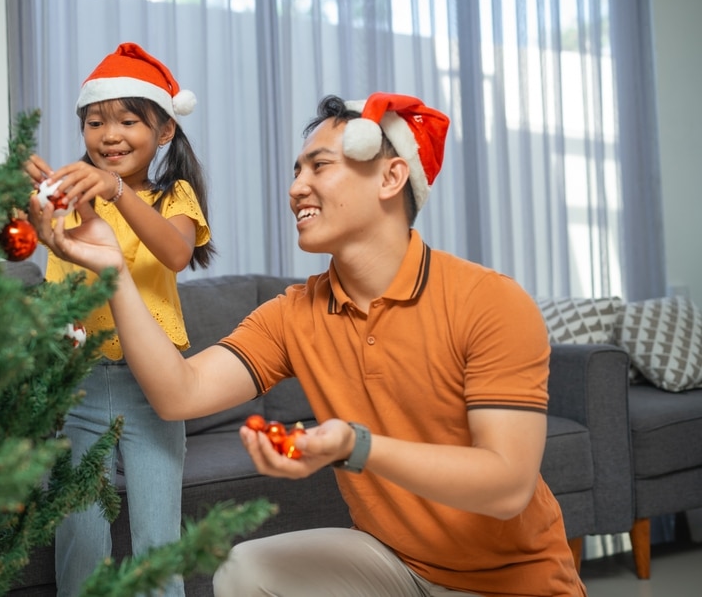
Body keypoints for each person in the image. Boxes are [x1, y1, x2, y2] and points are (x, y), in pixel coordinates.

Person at [30, 91, 586, 596]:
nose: (297, 187)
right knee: (246, 573)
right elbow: (179, 394)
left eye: (320, 166)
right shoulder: (296, 313)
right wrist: (115, 273)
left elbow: (507, 486)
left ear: (391, 178)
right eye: (296, 170)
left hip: (515, 584)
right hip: (396, 567)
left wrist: (355, 446)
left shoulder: (488, 300)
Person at [24, 42, 214, 597]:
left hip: (154, 388)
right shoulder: (72, 198)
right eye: (95, 121)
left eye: (129, 120)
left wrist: (118, 192)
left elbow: (176, 255)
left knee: (158, 542)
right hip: (79, 385)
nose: (109, 134)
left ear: (163, 133)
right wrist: (41, 216)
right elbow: (54, 273)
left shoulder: (172, 195)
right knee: (80, 539)